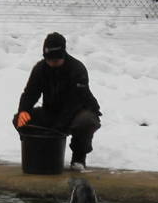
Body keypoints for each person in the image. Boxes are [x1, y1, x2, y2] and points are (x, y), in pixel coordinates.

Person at [13, 31, 102, 172]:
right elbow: (30, 93)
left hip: (78, 111)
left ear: (64, 54)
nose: (53, 63)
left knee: (85, 122)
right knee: (20, 119)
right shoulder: (40, 69)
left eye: (57, 59)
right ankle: (42, 155)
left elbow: (75, 101)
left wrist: (57, 127)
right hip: (52, 111)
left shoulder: (77, 69)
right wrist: (23, 110)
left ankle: (78, 159)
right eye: (49, 59)